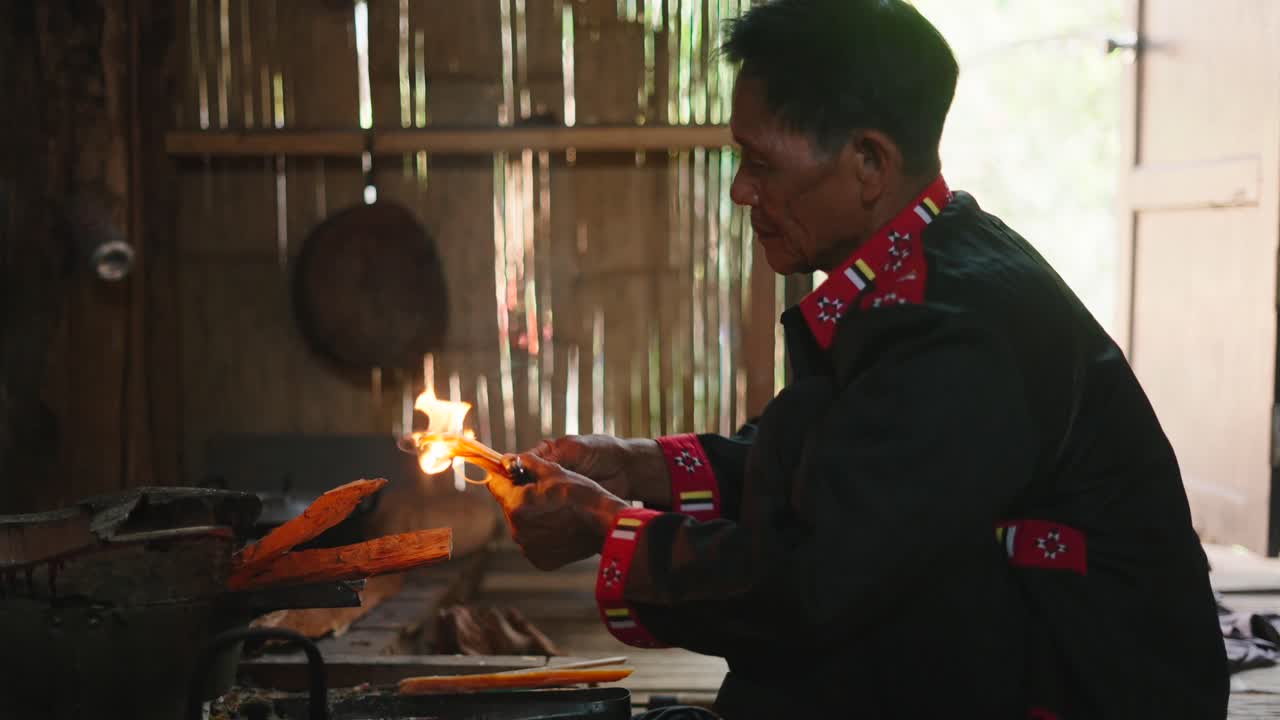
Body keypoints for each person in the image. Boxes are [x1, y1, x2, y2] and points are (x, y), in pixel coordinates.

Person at [484, 1, 1230, 717]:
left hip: (1087, 686)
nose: (742, 191)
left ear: (869, 163)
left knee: (836, 631)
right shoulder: (926, 258)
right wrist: (638, 466)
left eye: (761, 163)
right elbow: (846, 462)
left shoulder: (955, 331)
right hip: (1023, 650)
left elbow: (819, 582)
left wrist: (605, 527)